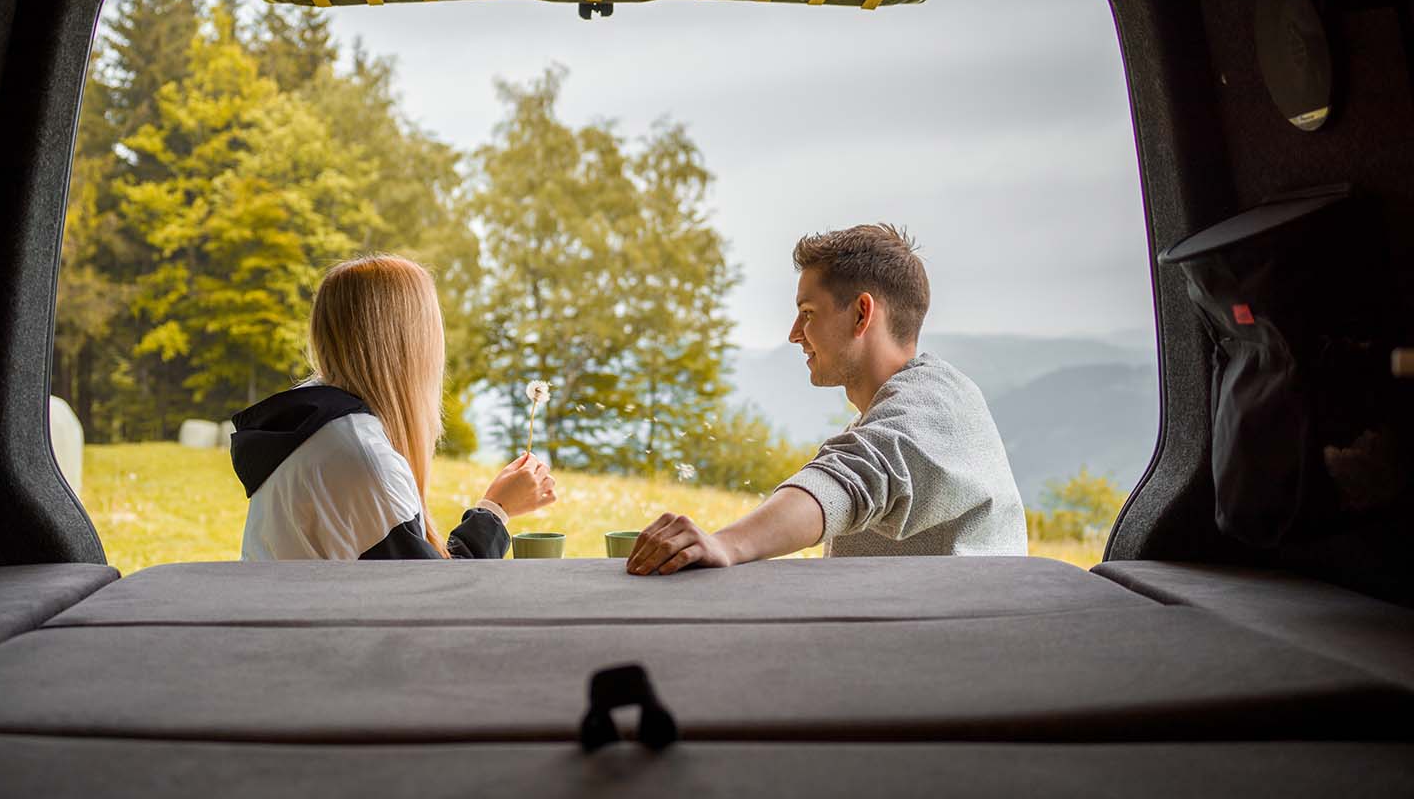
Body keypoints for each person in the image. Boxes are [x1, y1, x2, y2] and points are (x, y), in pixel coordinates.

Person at [627, 223, 1026, 576]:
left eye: (808, 312)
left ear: (861, 314)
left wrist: (726, 545)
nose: (794, 333)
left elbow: (850, 480)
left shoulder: (936, 407)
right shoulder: (901, 412)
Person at [233, 255, 556, 560]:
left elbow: (414, 574)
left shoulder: (310, 429)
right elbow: (436, 592)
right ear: (412, 344)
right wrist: (496, 510)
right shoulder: (361, 460)